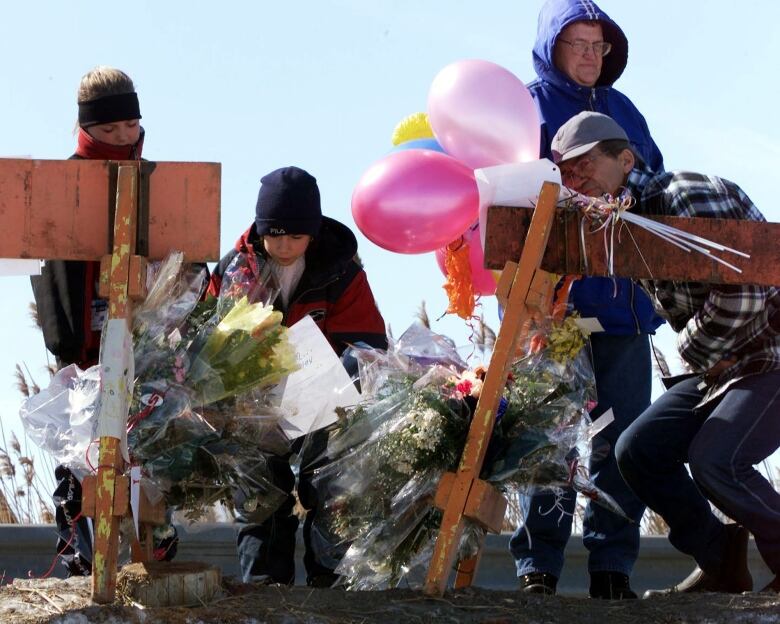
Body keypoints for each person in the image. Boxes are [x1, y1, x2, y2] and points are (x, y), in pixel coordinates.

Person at [553, 110, 780, 595]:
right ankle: (720, 558)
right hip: (727, 364)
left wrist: (693, 348)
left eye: (584, 164)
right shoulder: (627, 221)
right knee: (637, 450)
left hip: (770, 356)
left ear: (626, 158)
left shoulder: (683, 195)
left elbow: (746, 292)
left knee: (717, 461)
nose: (575, 179)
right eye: (566, 172)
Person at [509, 0, 664, 599]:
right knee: (545, 431)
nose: (590, 56)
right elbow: (509, 195)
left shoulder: (625, 111)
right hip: (551, 305)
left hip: (624, 304)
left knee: (620, 438)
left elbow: (654, 183)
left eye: (600, 46)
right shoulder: (525, 106)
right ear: (552, 47)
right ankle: (537, 566)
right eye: (578, 44)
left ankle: (612, 568)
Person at [207, 166, 387, 587]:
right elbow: (207, 336)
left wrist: (318, 375)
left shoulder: (341, 271)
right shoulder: (236, 269)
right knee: (258, 487)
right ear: (259, 229)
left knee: (330, 483)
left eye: (295, 236)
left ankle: (330, 580)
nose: (284, 246)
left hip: (323, 397)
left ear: (314, 233)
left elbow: (369, 346)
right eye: (274, 235)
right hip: (255, 401)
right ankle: (265, 584)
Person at [30, 67, 178, 576]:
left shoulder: (163, 187)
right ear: (86, 130)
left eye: (130, 127)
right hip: (84, 349)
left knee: (151, 453)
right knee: (80, 456)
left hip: (146, 347)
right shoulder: (61, 184)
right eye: (108, 131)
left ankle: (150, 558)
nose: (121, 139)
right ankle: (80, 561)